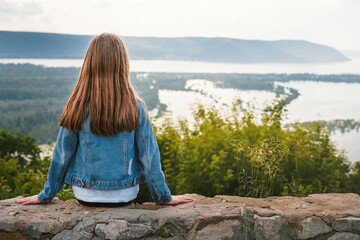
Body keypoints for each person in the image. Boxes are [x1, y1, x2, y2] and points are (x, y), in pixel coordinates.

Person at [16, 33, 192, 206]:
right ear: (122, 64)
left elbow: (61, 155)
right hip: (125, 194)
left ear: (90, 64)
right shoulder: (136, 105)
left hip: (85, 194)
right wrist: (163, 196)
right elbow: (149, 157)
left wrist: (46, 195)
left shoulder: (77, 104)